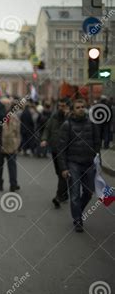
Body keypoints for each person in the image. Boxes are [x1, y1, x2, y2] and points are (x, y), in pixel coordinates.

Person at [58, 99, 101, 232]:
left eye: (83, 106)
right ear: (73, 110)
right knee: (75, 194)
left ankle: (78, 211)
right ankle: (78, 220)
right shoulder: (67, 125)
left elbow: (97, 143)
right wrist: (64, 168)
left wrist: (98, 161)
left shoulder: (92, 123)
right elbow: (61, 149)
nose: (81, 109)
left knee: (88, 192)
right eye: (78, 107)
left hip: (88, 163)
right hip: (73, 163)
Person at [41, 98, 70, 208]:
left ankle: (58, 197)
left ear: (67, 106)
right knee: (59, 173)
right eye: (60, 106)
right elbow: (47, 128)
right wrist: (44, 139)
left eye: (63, 106)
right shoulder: (54, 116)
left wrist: (68, 116)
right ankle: (64, 194)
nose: (61, 108)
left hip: (66, 150)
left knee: (63, 173)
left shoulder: (71, 117)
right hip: (55, 149)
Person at [0, 97, 21, 192]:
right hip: (0, 145)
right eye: (4, 105)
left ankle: (13, 184)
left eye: (7, 104)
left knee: (12, 166)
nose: (6, 106)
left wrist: (17, 145)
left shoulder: (14, 117)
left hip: (12, 145)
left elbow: (18, 133)